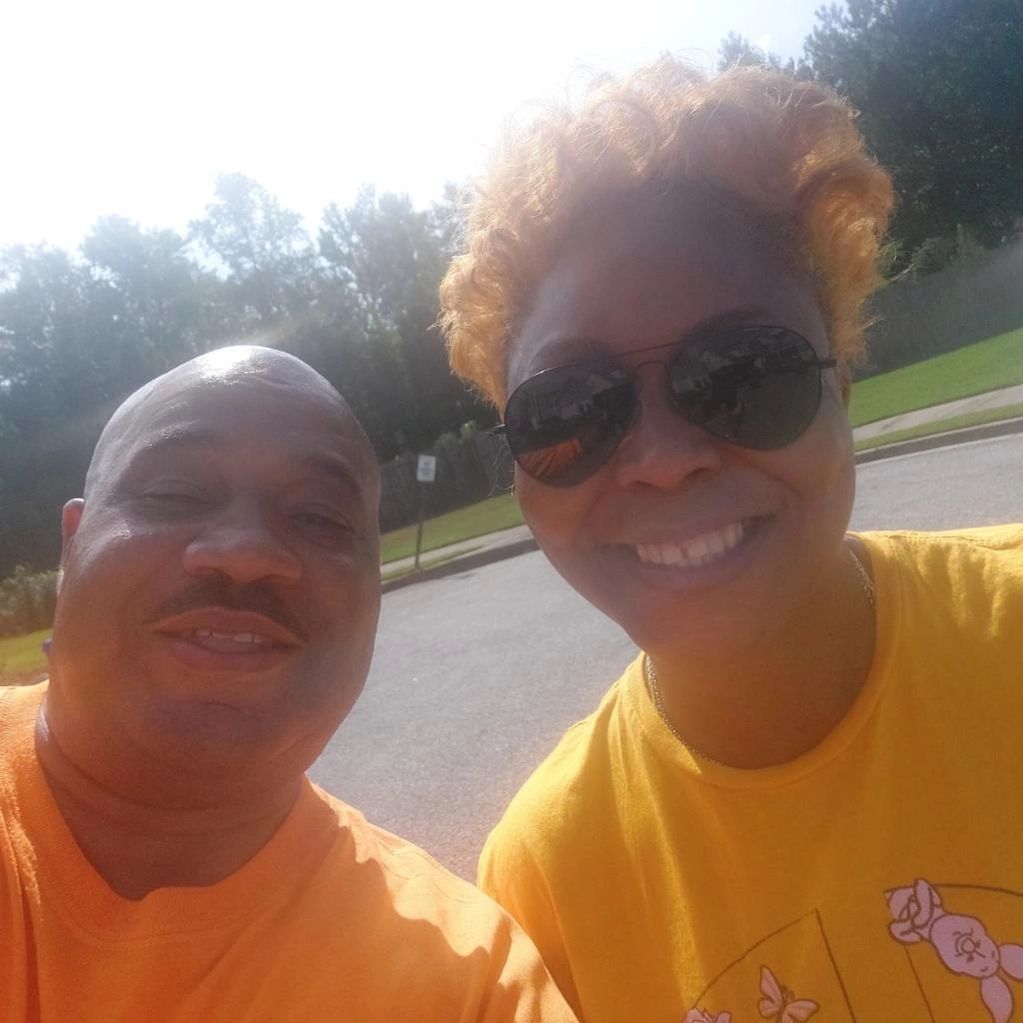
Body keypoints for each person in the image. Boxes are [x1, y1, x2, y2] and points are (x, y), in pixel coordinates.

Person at [440, 58, 1023, 1021]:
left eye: (743, 370)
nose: (664, 460)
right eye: (571, 407)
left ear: (838, 380)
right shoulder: (544, 874)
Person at [0, 346, 577, 1022]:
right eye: (173, 494)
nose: (245, 553)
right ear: (71, 551)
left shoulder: (470, 986)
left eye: (318, 517)